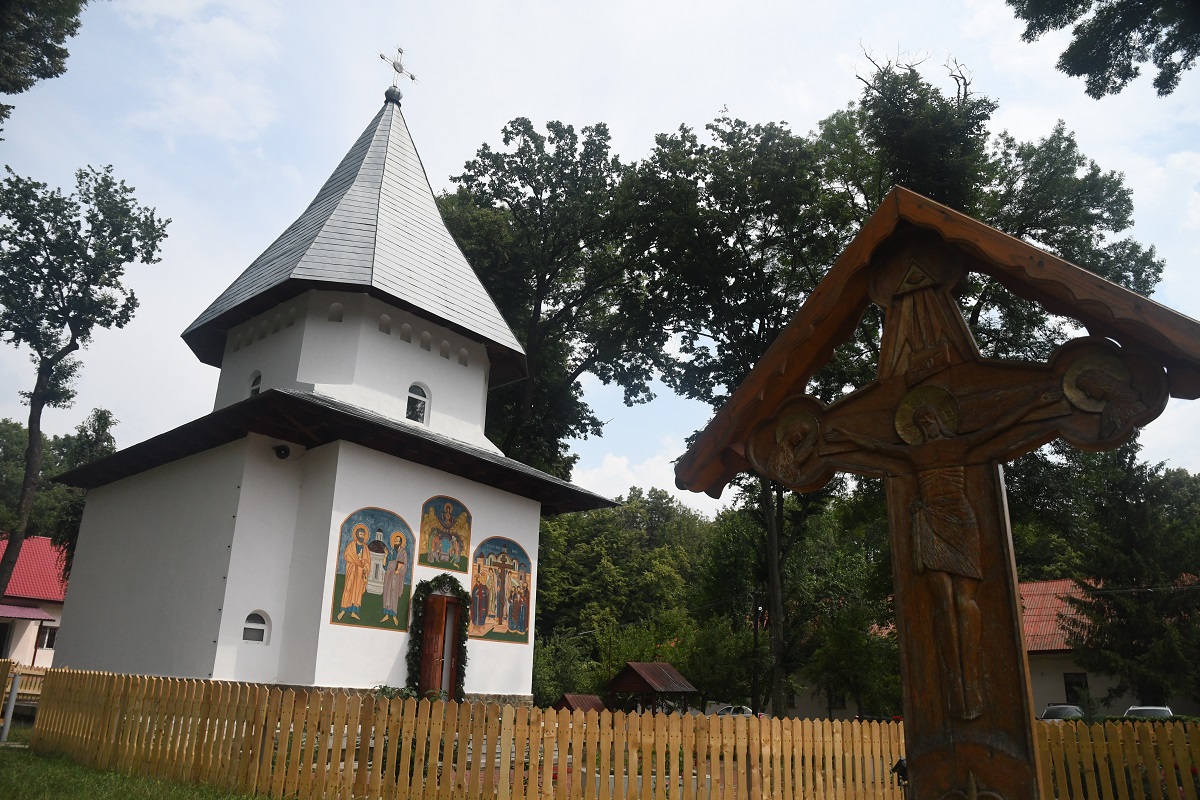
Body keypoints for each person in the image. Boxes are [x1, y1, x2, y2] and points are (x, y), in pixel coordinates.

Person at [826, 386, 1061, 721]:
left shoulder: (958, 444)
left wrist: (1036, 400)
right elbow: (878, 447)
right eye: (920, 421)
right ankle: (953, 679)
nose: (926, 424)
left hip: (961, 521)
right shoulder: (915, 454)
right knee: (942, 601)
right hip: (930, 521)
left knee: (965, 600)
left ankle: (973, 677)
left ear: (939, 419)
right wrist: (844, 434)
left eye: (929, 418)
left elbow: (997, 429)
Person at [337, 524, 370, 620]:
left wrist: (364, 565)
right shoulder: (351, 545)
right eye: (360, 534)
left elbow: (367, 562)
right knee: (348, 589)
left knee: (357, 592)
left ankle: (354, 612)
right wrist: (357, 560)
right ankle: (343, 610)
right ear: (356, 534)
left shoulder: (365, 548)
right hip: (352, 571)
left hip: (360, 573)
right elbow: (347, 555)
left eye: (363, 535)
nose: (362, 536)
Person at [380, 532, 408, 625]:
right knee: (387, 593)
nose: (396, 542)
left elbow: (405, 565)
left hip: (397, 577)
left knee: (394, 595)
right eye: (395, 541)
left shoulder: (403, 552)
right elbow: (385, 565)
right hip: (389, 576)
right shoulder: (391, 551)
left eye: (397, 541)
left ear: (401, 542)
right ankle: (386, 615)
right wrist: (385, 555)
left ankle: (394, 616)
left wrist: (398, 571)